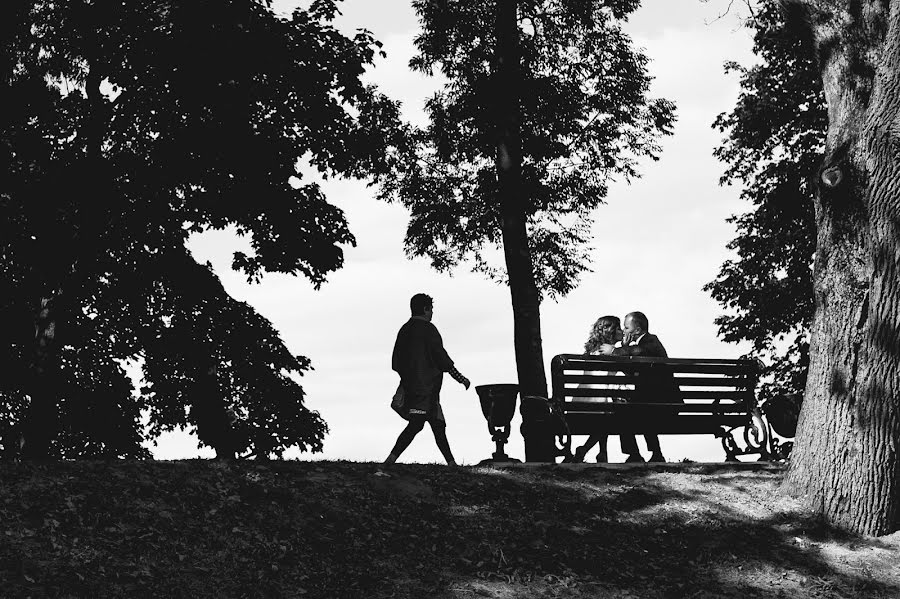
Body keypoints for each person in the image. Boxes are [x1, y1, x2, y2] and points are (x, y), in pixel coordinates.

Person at [384, 293, 471, 466]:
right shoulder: (429, 330)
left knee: (437, 425)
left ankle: (452, 463)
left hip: (412, 388)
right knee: (420, 425)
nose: (432, 313)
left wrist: (408, 378)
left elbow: (396, 362)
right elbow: (442, 358)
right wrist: (460, 378)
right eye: (431, 309)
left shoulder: (404, 330)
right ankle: (389, 461)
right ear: (425, 309)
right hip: (428, 390)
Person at [599, 311, 680, 463]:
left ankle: (635, 454)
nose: (623, 331)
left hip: (663, 404)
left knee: (623, 411)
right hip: (657, 402)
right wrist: (624, 347)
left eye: (626, 328)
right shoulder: (644, 345)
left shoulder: (650, 342)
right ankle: (653, 453)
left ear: (637, 330)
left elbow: (640, 352)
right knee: (634, 408)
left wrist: (615, 351)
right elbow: (632, 372)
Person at [570, 315, 624, 463]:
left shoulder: (594, 350)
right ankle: (585, 449)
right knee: (607, 416)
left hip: (583, 401)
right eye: (619, 328)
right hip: (596, 402)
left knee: (605, 415)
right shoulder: (608, 353)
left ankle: (602, 453)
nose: (622, 331)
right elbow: (610, 382)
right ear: (610, 331)